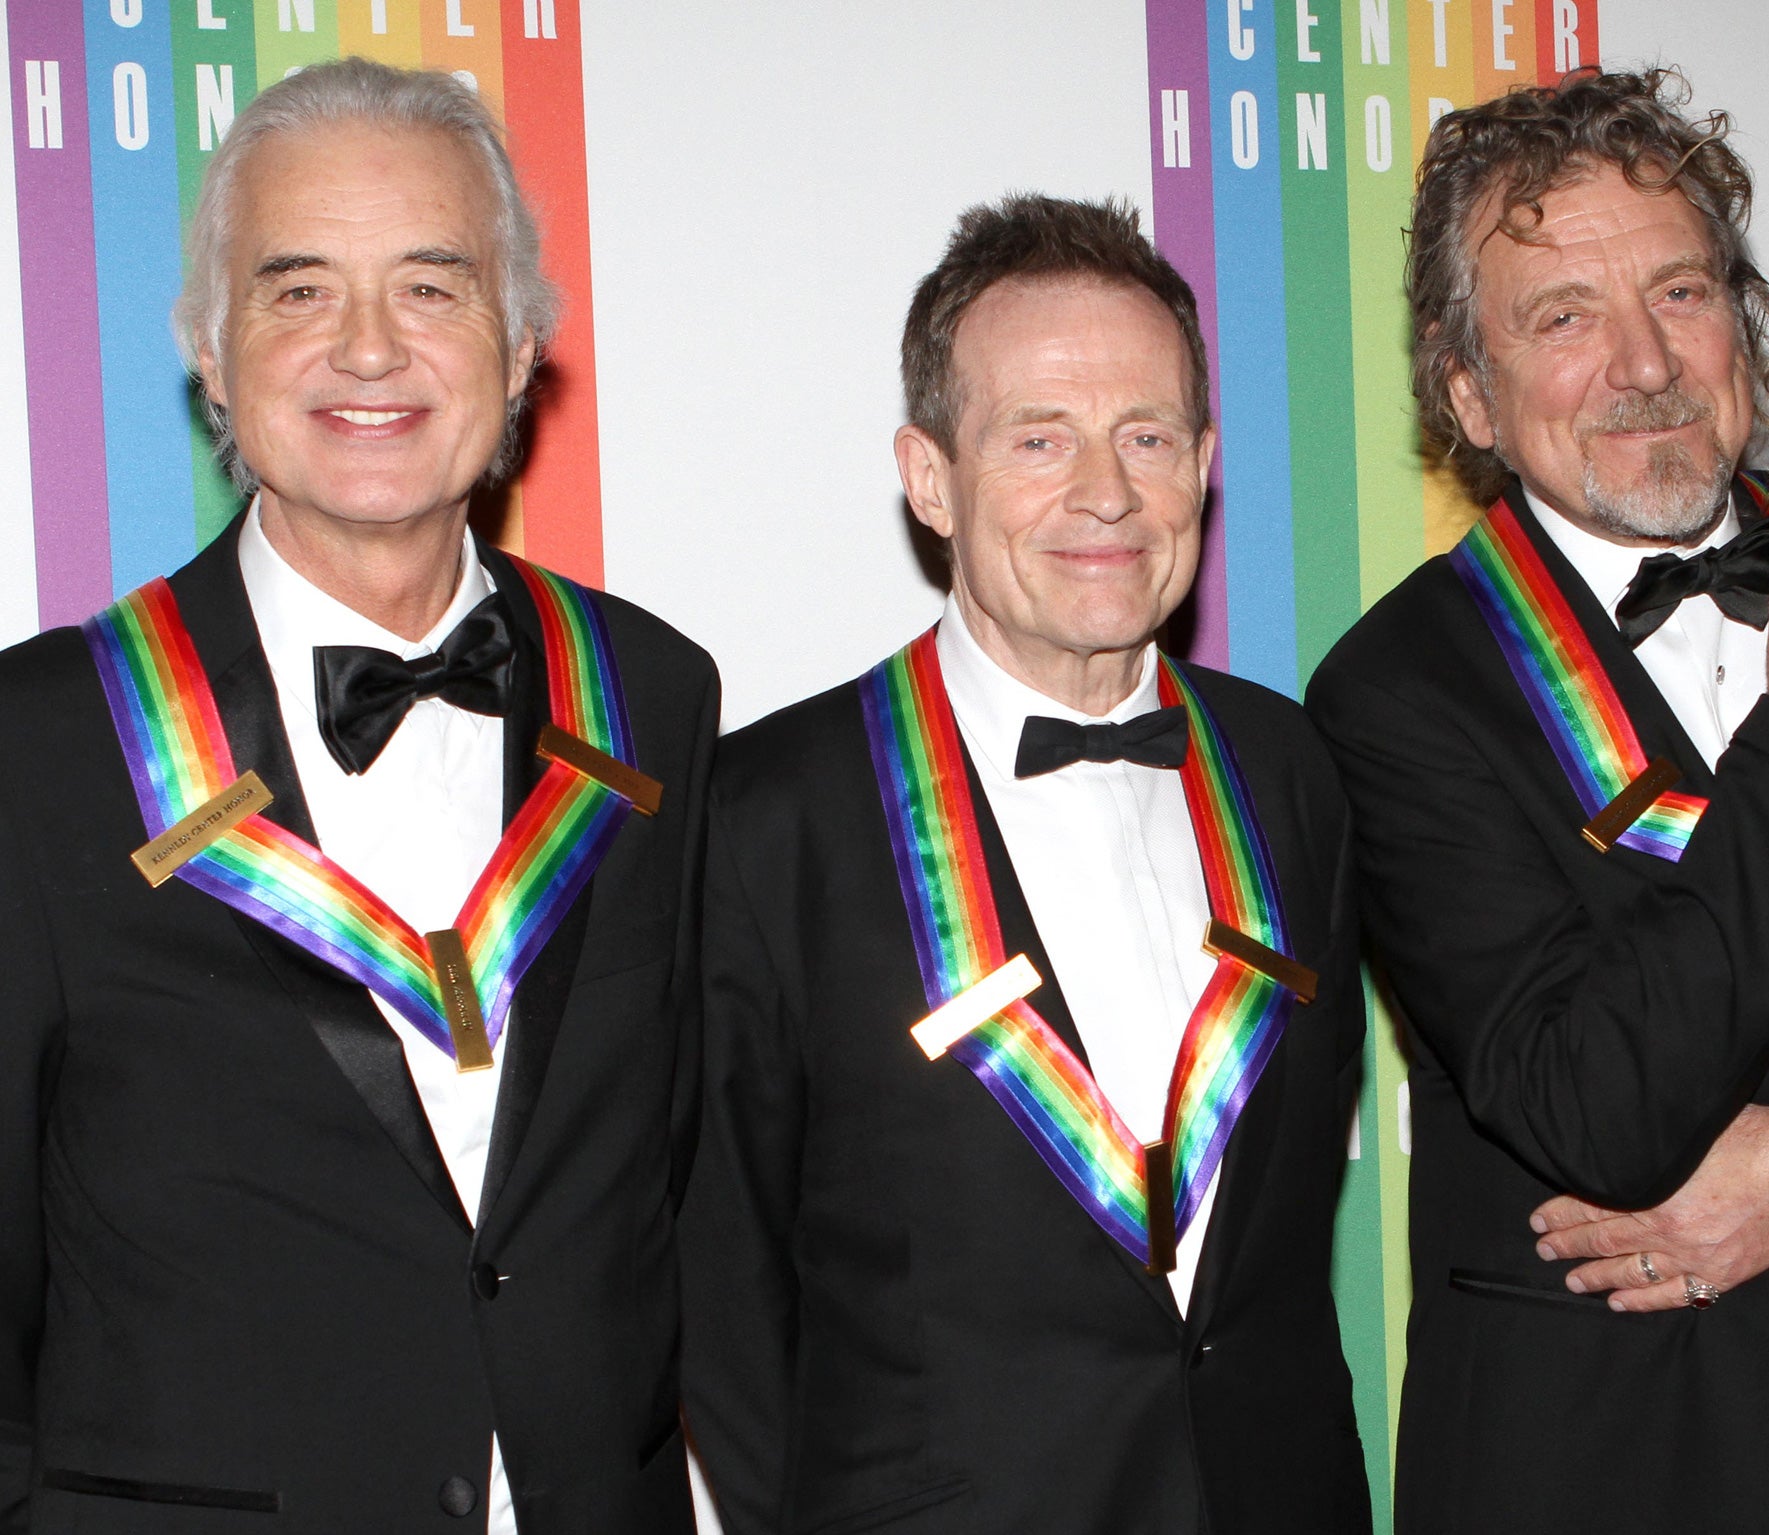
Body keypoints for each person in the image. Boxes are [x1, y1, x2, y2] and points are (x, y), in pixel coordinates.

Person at [1306, 66, 1769, 1533]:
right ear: (1470, 390)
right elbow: (1599, 1099)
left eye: (1683, 292)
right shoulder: (1395, 696)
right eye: (1563, 319)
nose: (1644, 363)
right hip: (1625, 1460)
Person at [0, 60, 716, 1531]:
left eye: (433, 288)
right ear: (212, 352)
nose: (371, 350)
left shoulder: (655, 696)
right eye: (299, 290)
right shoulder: (38, 744)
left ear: (522, 349)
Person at [680, 194, 1370, 1534]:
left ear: (1207, 461)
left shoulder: (1295, 775)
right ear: (930, 476)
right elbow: (720, 1291)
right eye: (1037, 439)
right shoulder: (769, 816)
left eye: (1147, 438)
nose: (1105, 494)